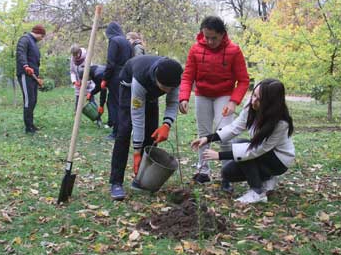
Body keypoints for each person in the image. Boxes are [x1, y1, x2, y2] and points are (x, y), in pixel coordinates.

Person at [191, 79, 295, 204]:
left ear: (271, 103)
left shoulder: (280, 124)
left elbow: (255, 150)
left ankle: (257, 192)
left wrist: (219, 155)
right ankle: (266, 178)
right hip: (261, 154)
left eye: (259, 99)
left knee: (241, 145)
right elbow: (234, 127)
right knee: (228, 173)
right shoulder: (251, 107)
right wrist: (208, 138)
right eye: (254, 95)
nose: (253, 101)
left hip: (278, 161)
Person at [179, 16, 250, 184]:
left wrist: (233, 101)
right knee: (203, 134)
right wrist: (184, 97)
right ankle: (203, 171)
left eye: (214, 38)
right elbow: (188, 76)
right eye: (206, 37)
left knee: (224, 134)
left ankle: (227, 174)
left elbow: (244, 80)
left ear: (222, 34)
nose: (210, 41)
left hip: (224, 96)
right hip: (202, 94)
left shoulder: (234, 50)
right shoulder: (195, 50)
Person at [109, 55, 183, 200]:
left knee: (151, 132)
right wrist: (137, 152)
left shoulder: (174, 77)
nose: (168, 91)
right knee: (124, 131)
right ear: (156, 79)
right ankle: (116, 182)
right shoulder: (140, 79)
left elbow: (173, 102)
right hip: (129, 85)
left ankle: (142, 179)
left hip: (150, 93)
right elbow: (137, 117)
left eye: (171, 88)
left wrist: (166, 125)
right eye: (164, 87)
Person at [102, 22, 134, 140]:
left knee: (113, 103)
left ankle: (116, 132)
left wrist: (105, 79)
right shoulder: (127, 42)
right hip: (127, 75)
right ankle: (124, 130)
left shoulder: (114, 41)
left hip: (116, 76)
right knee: (124, 104)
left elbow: (110, 63)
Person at [16, 24, 46, 134]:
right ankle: (28, 128)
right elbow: (20, 53)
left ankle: (31, 124)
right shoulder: (25, 39)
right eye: (42, 36)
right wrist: (25, 66)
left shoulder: (33, 42)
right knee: (29, 101)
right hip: (25, 75)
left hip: (33, 76)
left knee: (33, 100)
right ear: (39, 33)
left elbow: (34, 61)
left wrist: (37, 76)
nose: (42, 39)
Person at [69, 45, 95, 111]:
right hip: (78, 86)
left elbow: (91, 73)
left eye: (76, 54)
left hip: (88, 84)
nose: (75, 57)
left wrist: (84, 83)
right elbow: (72, 71)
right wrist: (74, 82)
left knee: (92, 102)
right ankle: (76, 118)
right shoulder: (72, 59)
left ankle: (98, 119)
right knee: (77, 104)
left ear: (80, 52)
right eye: (73, 55)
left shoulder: (87, 58)